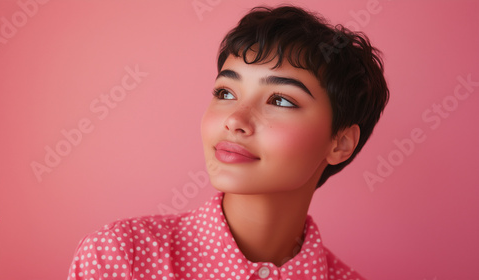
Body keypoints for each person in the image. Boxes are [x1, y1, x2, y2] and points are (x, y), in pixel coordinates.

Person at [68, 5, 389, 280]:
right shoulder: (123, 258)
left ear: (340, 143)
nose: (235, 119)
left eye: (280, 100)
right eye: (225, 93)